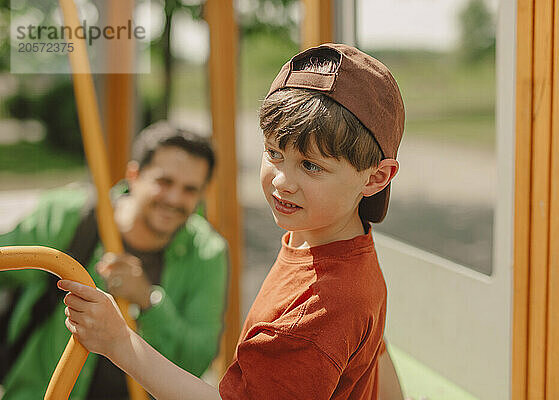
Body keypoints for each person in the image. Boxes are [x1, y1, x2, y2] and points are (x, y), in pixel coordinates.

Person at [59, 43, 404, 399]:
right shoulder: (322, 238)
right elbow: (377, 350)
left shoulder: (319, 307)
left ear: (376, 178)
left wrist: (118, 342)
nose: (282, 180)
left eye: (311, 165)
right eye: (274, 153)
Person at [0, 121, 229, 399]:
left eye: (190, 189)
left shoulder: (207, 252)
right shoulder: (70, 216)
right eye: (164, 182)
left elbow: (195, 361)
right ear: (134, 175)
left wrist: (148, 300)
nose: (174, 198)